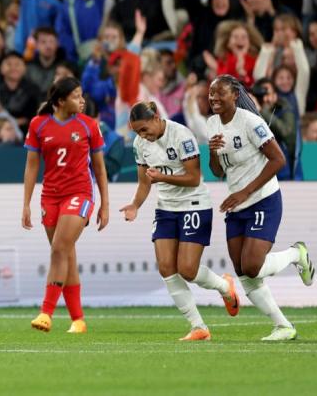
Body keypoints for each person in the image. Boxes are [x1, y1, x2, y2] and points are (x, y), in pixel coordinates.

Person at [206, 74, 314, 341]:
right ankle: (283, 326)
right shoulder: (211, 124)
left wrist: (245, 191)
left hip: (263, 199)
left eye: (220, 93)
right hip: (236, 204)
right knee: (243, 272)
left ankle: (294, 254)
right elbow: (217, 170)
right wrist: (212, 151)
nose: (214, 98)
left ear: (234, 96)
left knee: (252, 266)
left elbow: (278, 160)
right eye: (211, 94)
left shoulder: (251, 122)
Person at [121, 101, 239, 341]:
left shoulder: (182, 135)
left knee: (187, 270)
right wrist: (135, 205)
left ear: (156, 117)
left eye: (144, 129)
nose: (142, 136)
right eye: (137, 132)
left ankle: (225, 286)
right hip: (166, 208)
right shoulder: (140, 144)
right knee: (166, 267)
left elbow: (194, 178)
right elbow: (145, 182)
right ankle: (199, 327)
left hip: (194, 203)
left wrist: (162, 176)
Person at [23, 77, 110, 334]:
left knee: (59, 248)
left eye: (82, 96)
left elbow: (100, 169)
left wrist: (105, 204)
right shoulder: (39, 125)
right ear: (60, 101)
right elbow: (31, 166)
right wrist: (26, 204)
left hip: (80, 194)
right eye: (76, 96)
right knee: (66, 253)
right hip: (50, 196)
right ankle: (78, 319)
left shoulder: (88, 125)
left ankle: (46, 313)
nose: (82, 101)